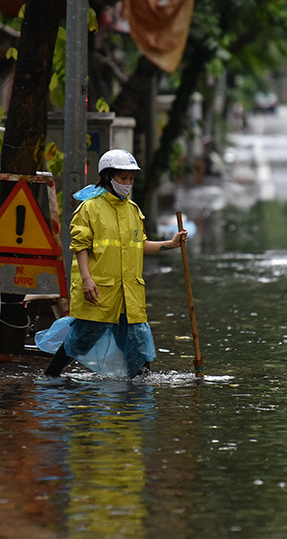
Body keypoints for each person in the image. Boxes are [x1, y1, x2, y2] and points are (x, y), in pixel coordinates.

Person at [36, 149, 187, 379]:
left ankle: (140, 393)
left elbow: (140, 245)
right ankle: (50, 378)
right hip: (99, 290)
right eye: (122, 178)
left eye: (131, 179)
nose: (127, 184)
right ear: (107, 177)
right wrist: (86, 279)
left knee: (138, 343)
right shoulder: (90, 207)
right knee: (81, 339)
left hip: (129, 294)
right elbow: (80, 246)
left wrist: (171, 243)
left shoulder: (132, 210)